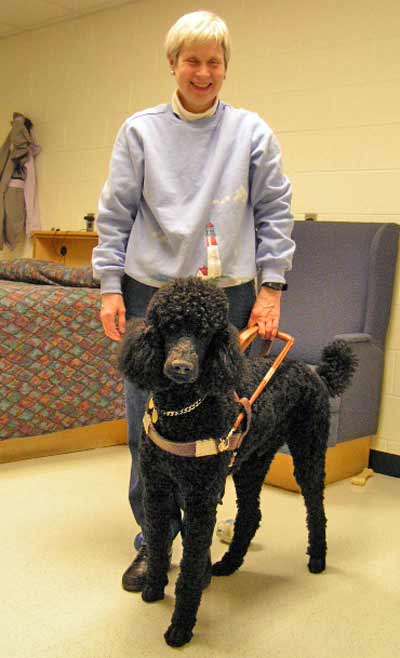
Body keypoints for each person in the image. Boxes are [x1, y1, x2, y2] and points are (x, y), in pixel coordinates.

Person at [92, 10, 295, 593]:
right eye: (192, 61)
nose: (203, 72)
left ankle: (201, 536)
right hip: (150, 291)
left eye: (214, 61)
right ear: (173, 65)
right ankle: (152, 542)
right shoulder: (140, 131)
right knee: (147, 425)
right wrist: (109, 287)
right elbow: (115, 215)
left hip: (226, 295)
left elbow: (275, 212)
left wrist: (272, 288)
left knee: (220, 423)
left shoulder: (251, 132)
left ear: (225, 67)